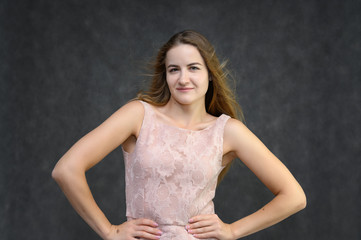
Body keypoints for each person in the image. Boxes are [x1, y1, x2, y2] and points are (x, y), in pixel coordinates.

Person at [52, 30, 306, 240]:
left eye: (193, 68)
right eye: (174, 69)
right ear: (166, 76)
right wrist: (109, 231)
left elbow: (294, 196)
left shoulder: (227, 131)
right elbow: (66, 169)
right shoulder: (138, 115)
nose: (183, 78)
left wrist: (232, 230)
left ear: (210, 75)